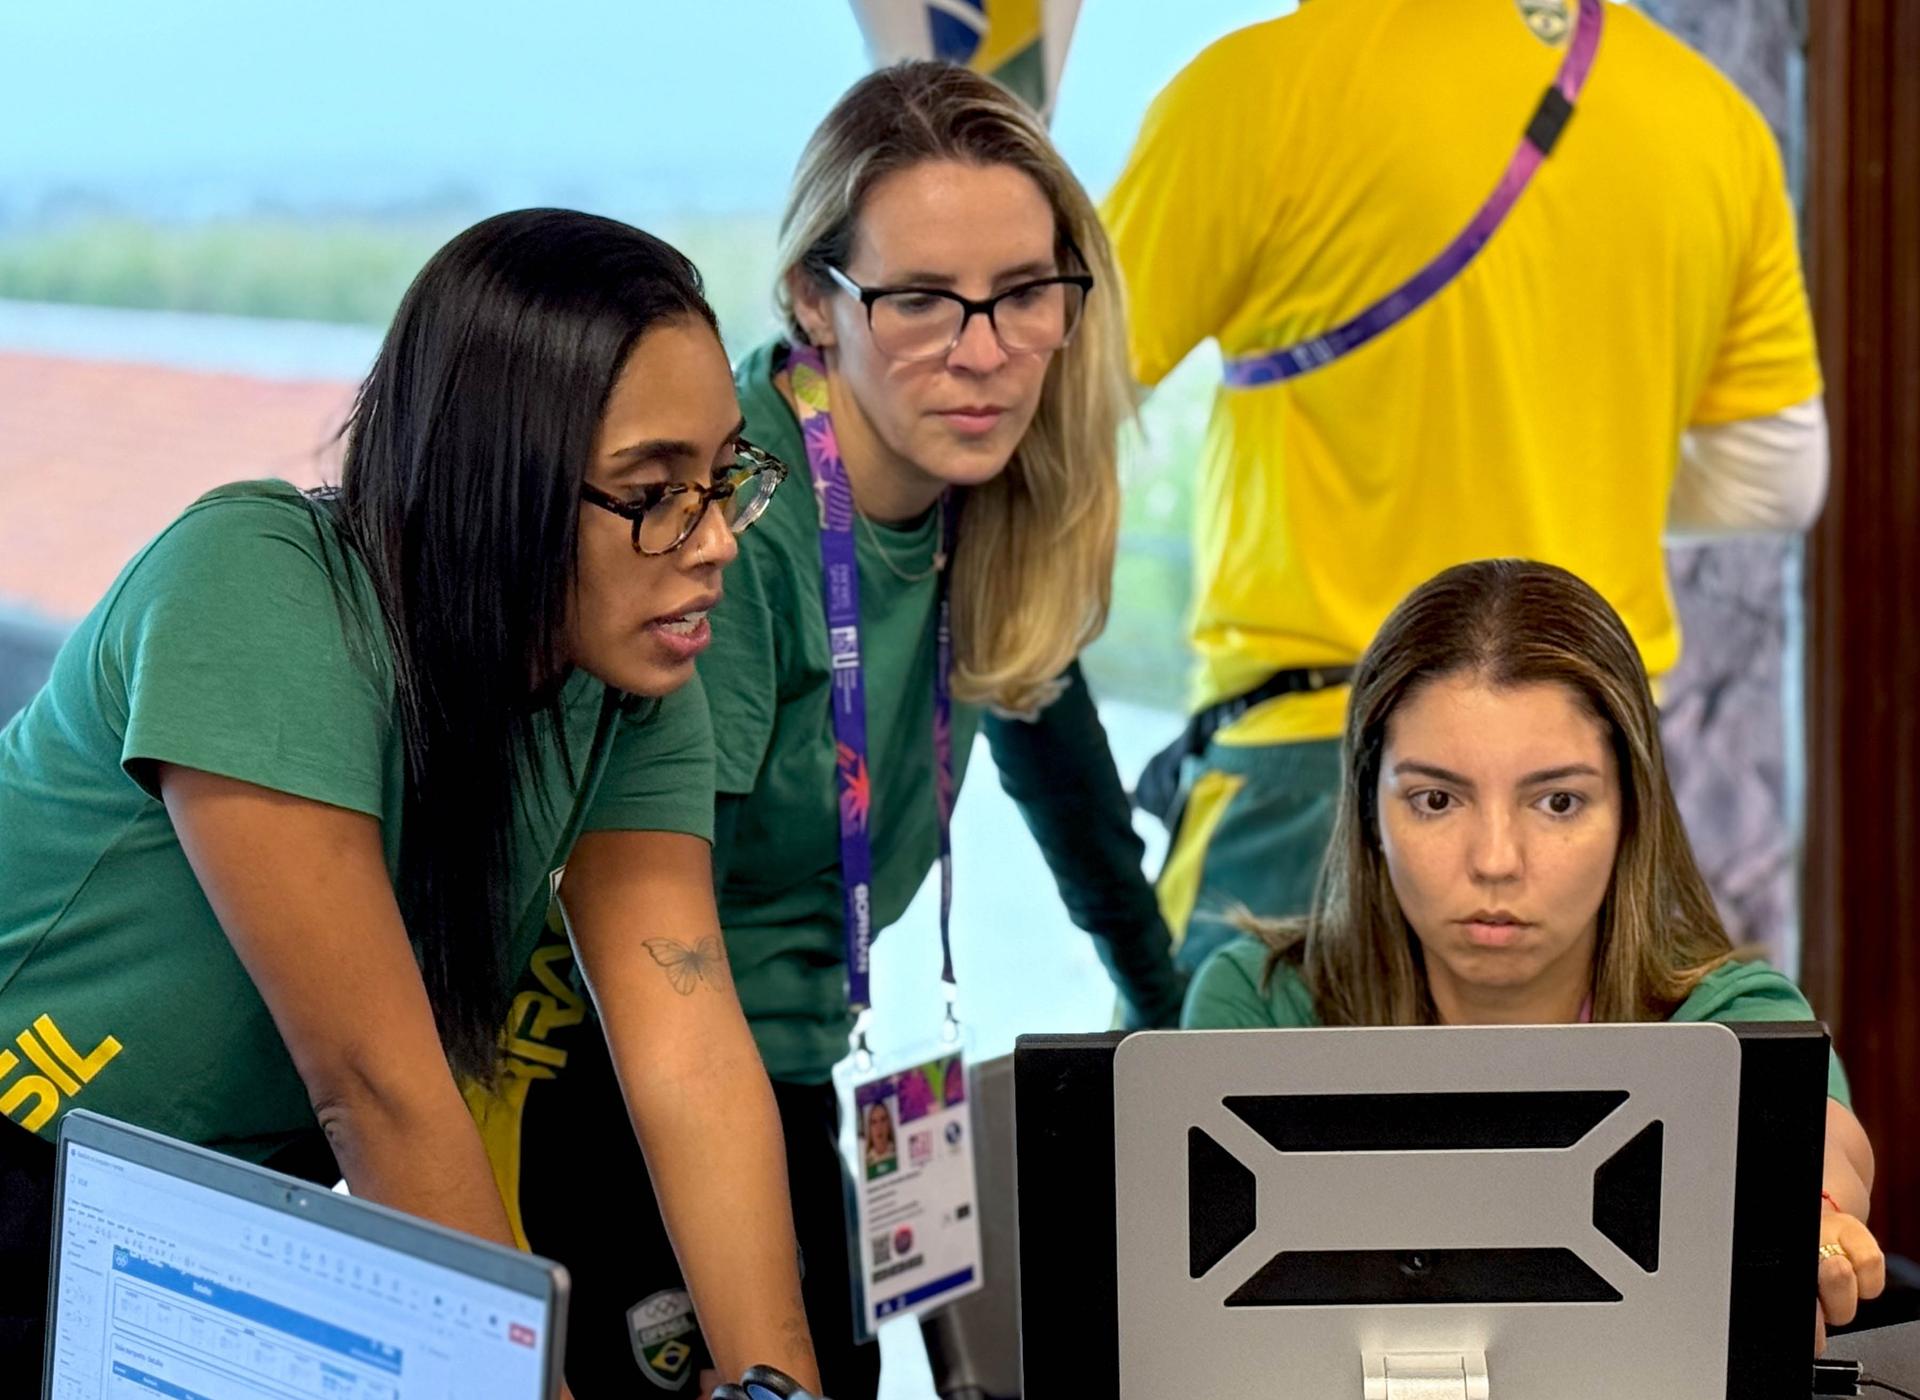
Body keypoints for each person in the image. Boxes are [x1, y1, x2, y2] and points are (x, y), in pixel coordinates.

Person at [0, 209, 818, 1390]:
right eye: (655, 490)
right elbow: (379, 1094)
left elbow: (687, 1050)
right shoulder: (260, 589)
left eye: (724, 477)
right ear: (496, 482)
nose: (716, 541)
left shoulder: (624, 675)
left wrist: (783, 1384)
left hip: (204, 1208)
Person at [502, 62, 1183, 1399]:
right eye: (920, 298)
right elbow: (650, 950)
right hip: (609, 1085)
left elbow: (1071, 782)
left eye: (1024, 294)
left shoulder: (991, 498)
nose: (983, 351)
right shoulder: (738, 521)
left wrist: (1179, 1046)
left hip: (802, 1064)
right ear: (815, 300)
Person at [1102, 0, 1829, 972]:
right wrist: (1582, 460)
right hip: (1590, 787)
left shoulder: (1256, 89)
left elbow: (1047, 394)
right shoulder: (1711, 119)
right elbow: (1779, 478)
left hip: (1314, 775)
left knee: (1188, 1072)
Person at [1182, 558, 1884, 1351]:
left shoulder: (1731, 1019)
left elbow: (1821, 1145)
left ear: (1631, 813)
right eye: (1436, 800)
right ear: (1370, 809)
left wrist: (1814, 1214)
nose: (1496, 860)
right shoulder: (1259, 1001)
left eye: (1558, 802)